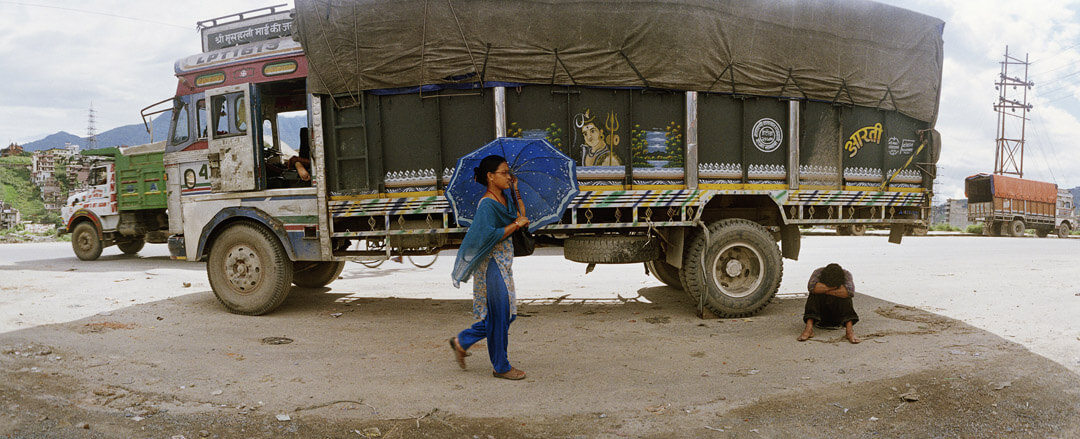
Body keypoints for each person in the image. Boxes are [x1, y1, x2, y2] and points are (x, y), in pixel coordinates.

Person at [449, 155, 531, 380]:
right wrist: (515, 225)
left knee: (506, 315)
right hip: (491, 264)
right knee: (502, 314)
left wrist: (517, 191)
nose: (508, 176)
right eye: (504, 173)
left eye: (508, 173)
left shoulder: (505, 197)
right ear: (490, 176)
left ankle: (463, 340)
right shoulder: (487, 204)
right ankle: (501, 366)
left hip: (504, 263)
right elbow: (489, 236)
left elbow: (520, 215)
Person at [798, 263, 861, 344]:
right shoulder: (818, 272)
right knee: (813, 295)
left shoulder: (846, 274)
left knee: (846, 298)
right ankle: (808, 329)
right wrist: (836, 288)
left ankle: (849, 332)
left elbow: (849, 292)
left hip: (839, 320)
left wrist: (824, 289)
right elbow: (811, 287)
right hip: (819, 319)